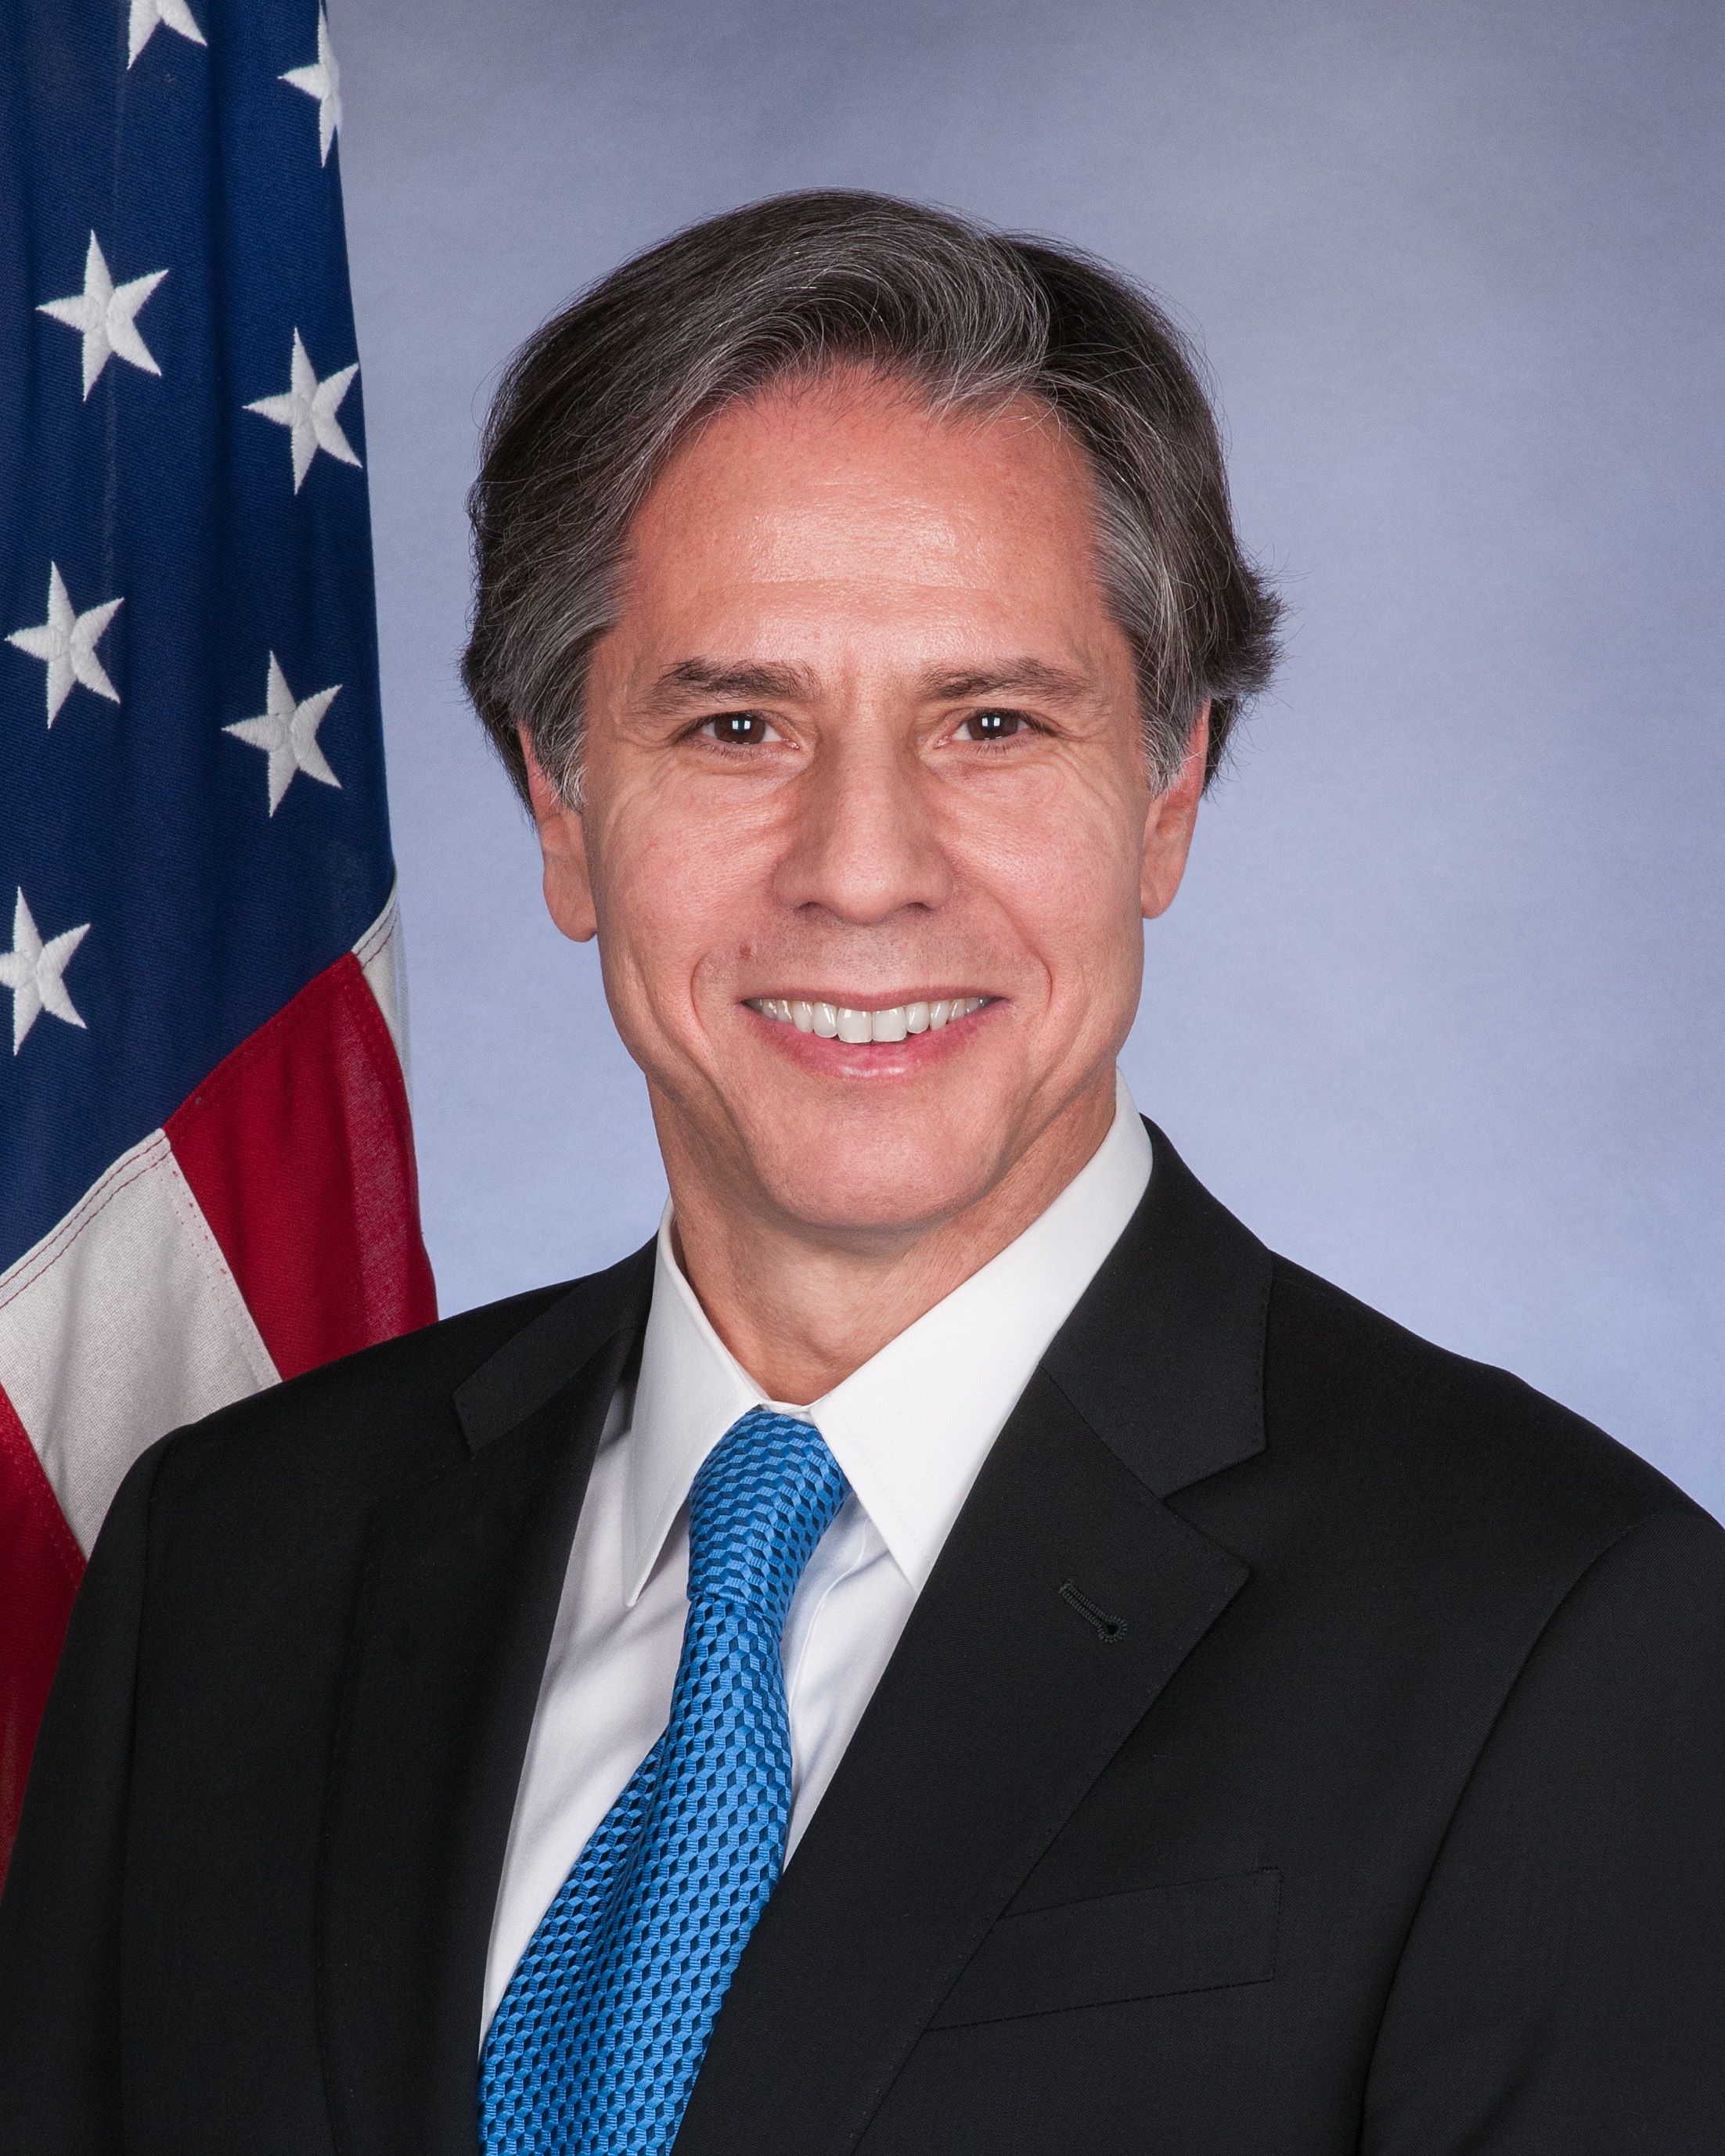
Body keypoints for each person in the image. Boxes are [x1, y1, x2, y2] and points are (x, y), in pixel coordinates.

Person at [2, 189, 1720, 2156]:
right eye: (736, 724)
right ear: (561, 800)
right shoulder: (230, 1562)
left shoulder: (1556, 1628)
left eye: (992, 722)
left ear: (1168, 790)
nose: (863, 866)